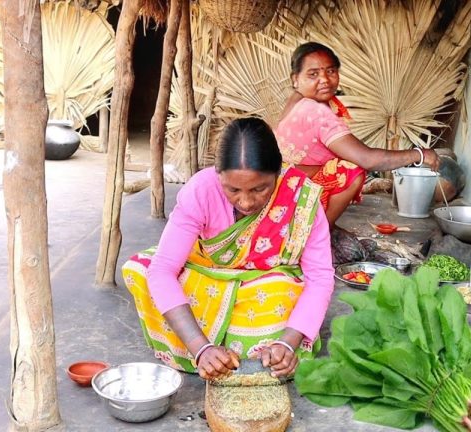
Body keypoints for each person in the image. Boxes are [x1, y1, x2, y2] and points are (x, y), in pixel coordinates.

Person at [122, 117, 334, 380]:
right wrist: (201, 348)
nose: (245, 201)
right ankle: (207, 344)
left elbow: (320, 278)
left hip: (264, 285)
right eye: (232, 189)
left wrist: (288, 343)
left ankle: (261, 344)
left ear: (278, 173)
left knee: (282, 300)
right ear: (217, 174)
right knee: (139, 270)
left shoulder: (302, 198)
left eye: (260, 188)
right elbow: (163, 269)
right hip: (207, 274)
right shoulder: (201, 189)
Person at [276, 41, 441, 226]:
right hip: (291, 195)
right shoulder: (317, 112)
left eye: (330, 71)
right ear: (295, 79)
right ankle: (316, 234)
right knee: (351, 170)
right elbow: (368, 159)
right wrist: (420, 154)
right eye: (313, 74)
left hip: (282, 188)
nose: (324, 79)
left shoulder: (297, 100)